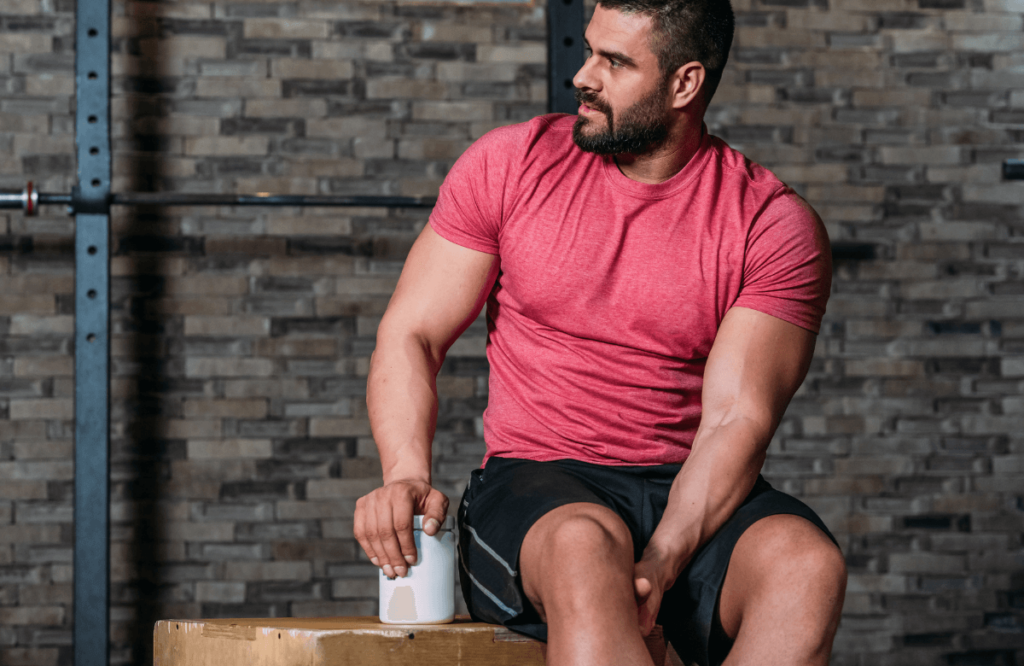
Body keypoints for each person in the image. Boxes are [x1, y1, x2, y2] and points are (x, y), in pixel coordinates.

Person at [353, 0, 847, 663]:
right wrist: (406, 472)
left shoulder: (770, 223)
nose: (583, 76)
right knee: (587, 547)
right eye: (589, 51)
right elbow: (412, 333)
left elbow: (737, 418)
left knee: (805, 567)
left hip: (691, 488)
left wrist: (666, 555)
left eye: (614, 62)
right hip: (539, 489)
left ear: (684, 84)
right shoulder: (511, 164)